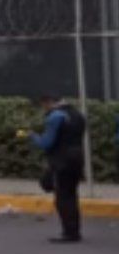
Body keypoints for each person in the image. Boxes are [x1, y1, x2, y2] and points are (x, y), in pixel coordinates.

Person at [27, 92, 86, 244]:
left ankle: (69, 233)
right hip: (77, 158)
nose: (44, 110)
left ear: (48, 102)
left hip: (61, 160)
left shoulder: (55, 117)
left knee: (63, 198)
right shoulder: (77, 115)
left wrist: (32, 136)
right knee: (71, 195)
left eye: (44, 106)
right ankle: (74, 231)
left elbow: (46, 143)